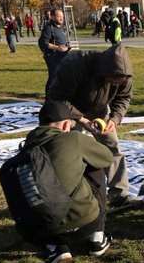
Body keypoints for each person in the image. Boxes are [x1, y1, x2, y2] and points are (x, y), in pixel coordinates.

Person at [8, 101, 114, 263]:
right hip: (86, 222)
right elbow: (107, 158)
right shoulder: (73, 138)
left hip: (38, 233)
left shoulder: (26, 148)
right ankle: (97, 237)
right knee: (96, 168)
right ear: (66, 124)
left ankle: (55, 247)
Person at [46, 43, 137, 206]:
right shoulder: (75, 64)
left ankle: (119, 194)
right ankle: (67, 195)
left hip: (100, 111)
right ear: (104, 71)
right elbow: (57, 96)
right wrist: (80, 119)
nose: (116, 84)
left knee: (112, 147)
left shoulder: (125, 76)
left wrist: (114, 120)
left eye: (120, 81)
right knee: (67, 151)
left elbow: (123, 98)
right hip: (69, 109)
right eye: (113, 80)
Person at [38, 8, 70, 97]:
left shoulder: (60, 28)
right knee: (53, 77)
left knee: (61, 77)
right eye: (59, 16)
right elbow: (44, 43)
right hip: (52, 56)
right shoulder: (48, 28)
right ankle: (49, 98)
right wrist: (58, 48)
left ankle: (58, 96)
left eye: (62, 17)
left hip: (62, 56)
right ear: (52, 17)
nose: (61, 18)